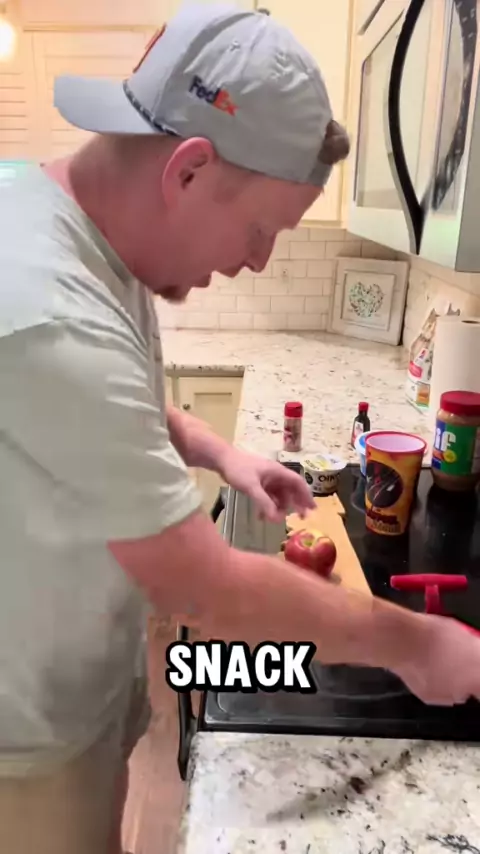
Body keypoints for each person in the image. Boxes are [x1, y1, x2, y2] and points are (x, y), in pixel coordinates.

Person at [1, 4, 480, 853]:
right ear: (188, 170)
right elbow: (203, 586)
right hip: (25, 746)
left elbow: (115, 404)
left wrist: (222, 452)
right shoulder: (50, 311)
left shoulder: (72, 225)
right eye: (263, 229)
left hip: (73, 672)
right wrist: (416, 644)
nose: (259, 260)